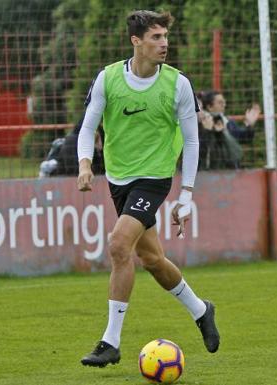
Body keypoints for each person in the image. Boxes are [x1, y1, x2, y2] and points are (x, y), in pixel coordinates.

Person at [76, 10, 219, 368]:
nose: (164, 43)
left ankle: (110, 341)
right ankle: (202, 310)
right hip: (119, 178)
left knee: (118, 244)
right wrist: (84, 165)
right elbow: (87, 125)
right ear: (135, 42)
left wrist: (185, 196)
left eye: (165, 36)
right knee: (153, 260)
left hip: (154, 178)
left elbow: (191, 140)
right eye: (155, 37)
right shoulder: (108, 78)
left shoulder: (178, 84)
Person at [38, 116, 104, 177]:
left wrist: (98, 149)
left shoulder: (100, 137)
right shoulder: (72, 141)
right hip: (67, 178)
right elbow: (73, 171)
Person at [196, 91, 241, 170]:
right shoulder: (194, 127)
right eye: (198, 107)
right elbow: (199, 154)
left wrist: (221, 133)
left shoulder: (224, 122)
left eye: (201, 107)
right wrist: (207, 131)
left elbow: (235, 153)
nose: (224, 105)